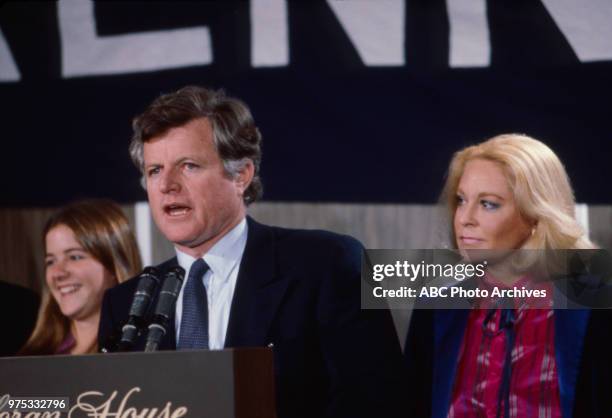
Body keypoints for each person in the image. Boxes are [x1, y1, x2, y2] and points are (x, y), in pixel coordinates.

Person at [98, 86, 405, 418]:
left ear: (241, 174)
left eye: (188, 166)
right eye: (155, 170)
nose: (166, 185)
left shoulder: (328, 265)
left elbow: (376, 404)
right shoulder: (125, 305)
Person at [404, 134, 612, 417]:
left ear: (537, 215)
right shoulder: (436, 302)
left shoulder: (597, 301)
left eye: (488, 203)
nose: (465, 218)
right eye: (461, 200)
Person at [19, 199, 142, 355]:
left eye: (75, 257)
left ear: (114, 264)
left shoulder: (146, 349)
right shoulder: (29, 360)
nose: (58, 273)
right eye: (50, 261)